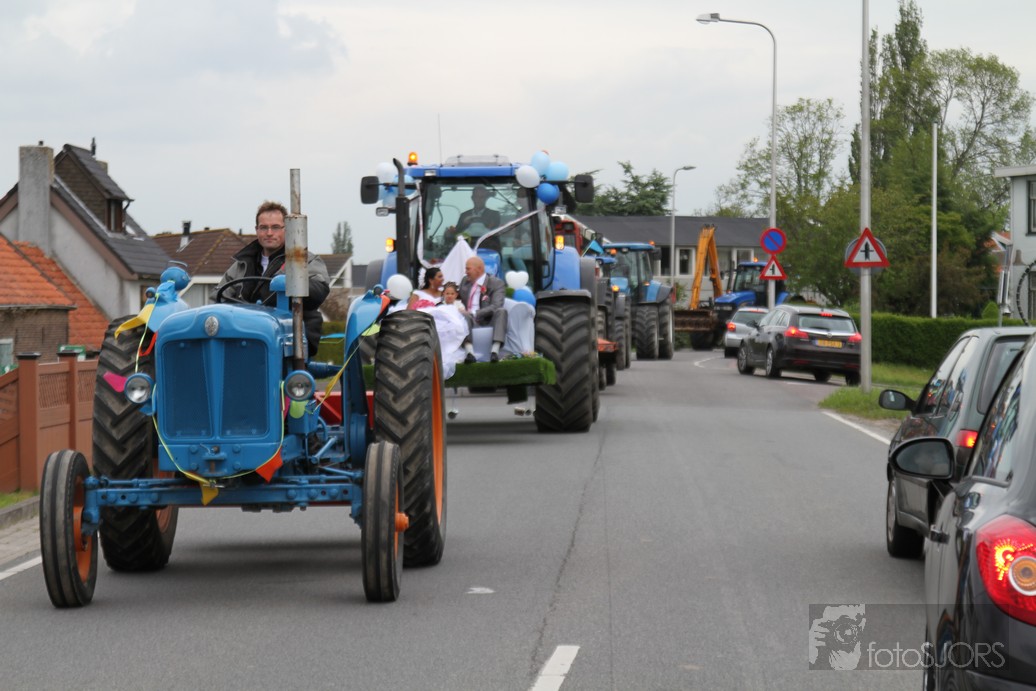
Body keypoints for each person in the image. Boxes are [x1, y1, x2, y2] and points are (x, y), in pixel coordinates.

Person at [215, 200, 330, 356]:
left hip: (287, 340)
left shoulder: (302, 260)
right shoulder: (241, 265)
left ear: (287, 229)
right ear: (256, 230)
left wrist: (292, 283)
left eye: (275, 227)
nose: (269, 233)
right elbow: (218, 297)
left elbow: (320, 289)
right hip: (242, 338)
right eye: (264, 227)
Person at [458, 256, 507, 363]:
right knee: (463, 315)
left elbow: (496, 305)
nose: (465, 272)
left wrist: (475, 313)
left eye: (468, 269)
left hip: (487, 320)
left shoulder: (496, 283)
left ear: (479, 269)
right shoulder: (465, 281)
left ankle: (494, 351)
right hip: (468, 319)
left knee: (501, 311)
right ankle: (469, 353)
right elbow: (456, 297)